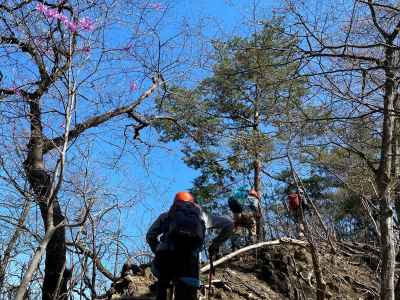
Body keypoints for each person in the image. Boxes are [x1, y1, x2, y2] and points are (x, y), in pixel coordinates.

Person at [146, 191, 233, 300]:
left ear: (175, 203)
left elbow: (150, 236)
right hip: (189, 262)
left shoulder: (166, 216)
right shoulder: (203, 217)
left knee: (162, 287)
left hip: (166, 259)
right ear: (193, 203)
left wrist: (157, 249)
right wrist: (215, 244)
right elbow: (229, 224)